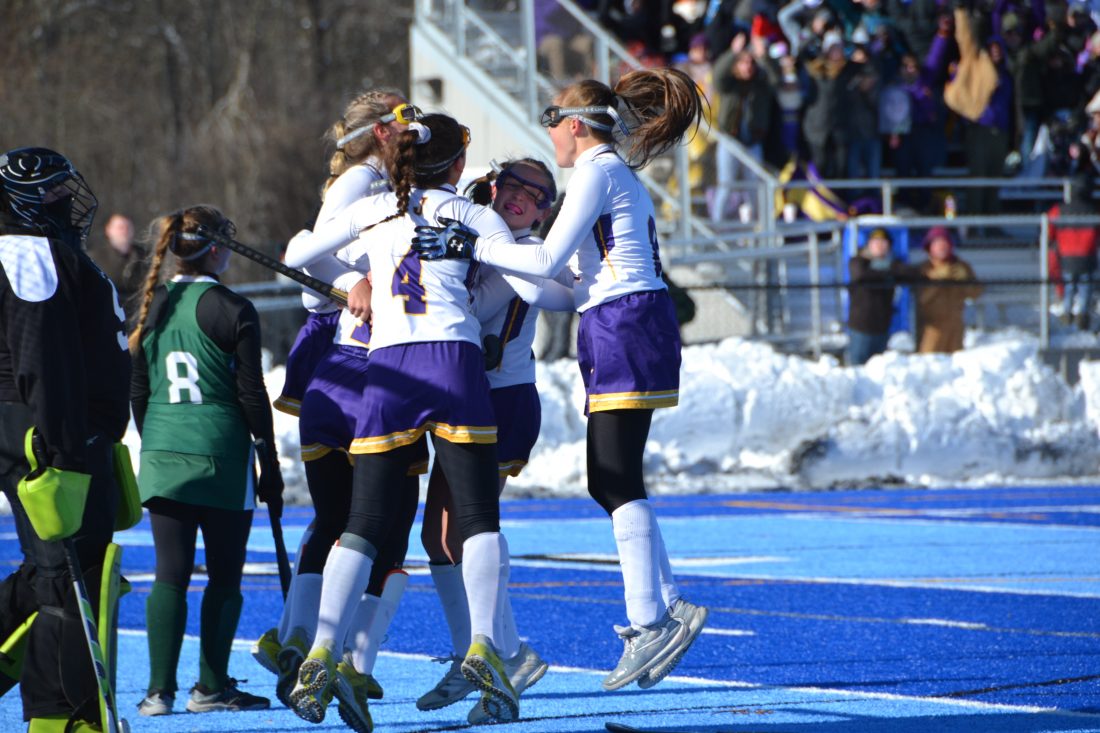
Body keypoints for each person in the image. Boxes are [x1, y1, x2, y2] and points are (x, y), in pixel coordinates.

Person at [415, 67, 711, 692]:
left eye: (552, 120)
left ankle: (652, 620)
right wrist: (492, 254)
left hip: (623, 321)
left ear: (574, 125)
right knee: (613, 477)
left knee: (612, 477)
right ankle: (665, 606)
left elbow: (548, 259)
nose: (548, 133)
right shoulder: (607, 173)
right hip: (615, 320)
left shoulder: (596, 172)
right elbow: (563, 286)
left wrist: (473, 243)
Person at [283, 113, 573, 726]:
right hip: (454, 361)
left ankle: (322, 650)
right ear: (460, 166)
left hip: (389, 368)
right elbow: (542, 277)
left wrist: (355, 275)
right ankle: (484, 646)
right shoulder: (471, 214)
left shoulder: (374, 210)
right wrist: (473, 244)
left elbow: (298, 255)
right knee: (477, 518)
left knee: (363, 521)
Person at [255, 90, 424, 730]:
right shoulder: (361, 181)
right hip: (356, 358)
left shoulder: (384, 181)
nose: (413, 129)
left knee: (351, 516)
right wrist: (351, 282)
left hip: (356, 357)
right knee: (373, 516)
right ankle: (323, 648)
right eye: (405, 119)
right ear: (380, 132)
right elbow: (311, 258)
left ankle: (301, 640)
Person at [417, 159, 560, 724]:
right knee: (437, 537)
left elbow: (466, 308)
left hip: (503, 401)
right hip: (467, 396)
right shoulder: (482, 234)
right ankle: (473, 654)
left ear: (544, 213)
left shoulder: (518, 250)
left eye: (536, 196)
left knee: (468, 531)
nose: (521, 198)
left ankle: (504, 655)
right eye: (513, 186)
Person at [129, 205, 284, 716]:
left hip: (162, 450)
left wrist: (158, 440)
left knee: (169, 574)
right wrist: (269, 462)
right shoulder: (233, 308)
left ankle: (158, 692)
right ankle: (210, 687)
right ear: (217, 249)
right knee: (223, 576)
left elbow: (138, 392)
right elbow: (251, 394)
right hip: (220, 453)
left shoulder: (151, 304)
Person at [0, 147, 131, 732]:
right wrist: (59, 449)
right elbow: (40, 354)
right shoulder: (25, 251)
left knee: (56, 568)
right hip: (46, 429)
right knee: (66, 573)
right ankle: (60, 712)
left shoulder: (45, 251)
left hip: (67, 427)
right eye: (51, 191)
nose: (64, 200)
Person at [846, 228, 922, 365]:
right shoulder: (858, 261)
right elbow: (861, 275)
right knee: (858, 366)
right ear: (869, 244)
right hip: (861, 326)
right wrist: (887, 273)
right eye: (876, 242)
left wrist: (887, 269)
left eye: (883, 242)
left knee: (879, 367)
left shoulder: (893, 264)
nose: (880, 246)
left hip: (882, 326)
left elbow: (911, 273)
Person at [915, 226, 982, 353]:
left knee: (954, 361)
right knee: (929, 360)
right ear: (929, 247)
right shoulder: (924, 269)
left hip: (956, 326)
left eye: (944, 242)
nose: (941, 247)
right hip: (931, 328)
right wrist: (937, 279)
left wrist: (965, 281)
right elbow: (921, 299)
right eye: (937, 243)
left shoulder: (961, 267)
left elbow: (976, 293)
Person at [1048, 177, 1098, 330]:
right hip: (1087, 256)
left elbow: (1049, 229)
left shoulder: (1060, 210)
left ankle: (1067, 314)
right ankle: (1082, 315)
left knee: (1069, 287)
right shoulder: (1094, 210)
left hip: (1066, 256)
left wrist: (1051, 241)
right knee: (1085, 287)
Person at [85, 213, 147, 325]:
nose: (124, 231)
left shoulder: (145, 257)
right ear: (109, 230)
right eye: (120, 227)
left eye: (127, 227)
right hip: (106, 317)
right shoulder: (95, 257)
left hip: (137, 318)